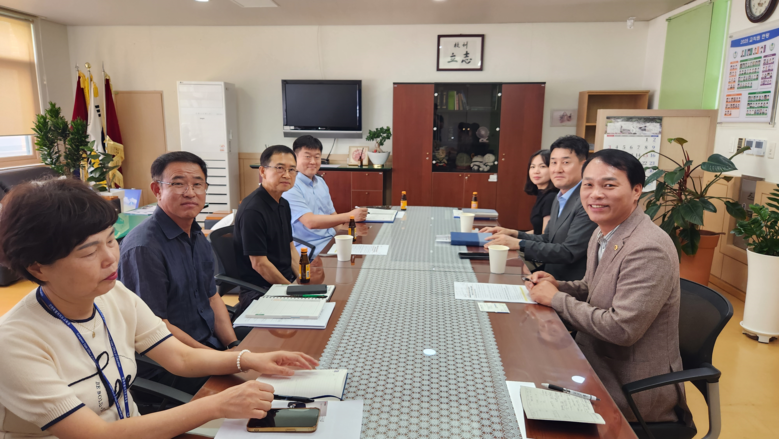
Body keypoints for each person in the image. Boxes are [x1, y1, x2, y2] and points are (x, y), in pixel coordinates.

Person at [0, 178, 318, 439]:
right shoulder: (15, 342)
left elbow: (180, 357)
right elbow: (96, 434)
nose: (110, 258)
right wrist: (216, 405)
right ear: (38, 267)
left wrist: (247, 358)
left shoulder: (114, 295)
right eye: (88, 253)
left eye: (111, 240)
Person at [524, 149, 689, 424]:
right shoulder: (604, 231)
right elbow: (592, 286)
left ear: (636, 191)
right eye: (588, 185)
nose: (595, 194)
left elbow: (621, 329)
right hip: (592, 358)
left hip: (628, 386)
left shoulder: (648, 248)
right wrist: (557, 285)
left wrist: (555, 299)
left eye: (609, 185)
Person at [119, 152, 239, 352]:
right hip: (173, 358)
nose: (190, 193)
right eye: (178, 184)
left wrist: (233, 346)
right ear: (157, 190)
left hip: (210, 344)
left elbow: (212, 297)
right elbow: (155, 326)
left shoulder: (197, 235)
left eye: (198, 184)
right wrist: (219, 360)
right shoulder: (144, 248)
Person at [481, 135, 597, 281]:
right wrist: (514, 234)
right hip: (547, 277)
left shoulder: (588, 201)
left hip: (569, 284)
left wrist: (519, 244)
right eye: (553, 163)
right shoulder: (560, 197)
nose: (557, 169)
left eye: (566, 162)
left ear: (584, 166)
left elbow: (570, 252)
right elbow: (547, 238)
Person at [234, 145, 299, 317]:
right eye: (280, 168)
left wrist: (303, 281)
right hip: (259, 290)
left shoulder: (283, 204)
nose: (287, 175)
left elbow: (291, 249)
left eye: (292, 170)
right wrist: (292, 291)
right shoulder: (253, 210)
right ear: (262, 171)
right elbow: (259, 264)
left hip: (283, 282)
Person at [282, 135, 367, 257]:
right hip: (310, 248)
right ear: (294, 158)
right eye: (307, 156)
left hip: (331, 241)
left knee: (365, 253)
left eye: (317, 157)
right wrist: (350, 216)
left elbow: (333, 216)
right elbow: (310, 222)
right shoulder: (291, 186)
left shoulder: (320, 181)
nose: (313, 161)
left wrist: (349, 235)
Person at [524, 149, 559, 235]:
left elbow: (545, 237)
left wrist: (515, 239)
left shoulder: (551, 197)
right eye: (532, 167)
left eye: (542, 166)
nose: (536, 171)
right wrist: (511, 234)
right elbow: (537, 232)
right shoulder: (542, 194)